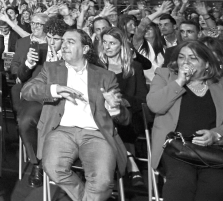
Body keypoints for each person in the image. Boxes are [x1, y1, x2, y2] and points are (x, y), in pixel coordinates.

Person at [20, 28, 130, 201]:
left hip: (96, 133)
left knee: (102, 181)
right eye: (62, 42)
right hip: (61, 131)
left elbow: (125, 118)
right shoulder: (51, 69)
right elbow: (26, 91)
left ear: (85, 49)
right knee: (53, 167)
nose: (63, 46)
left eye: (70, 42)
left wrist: (115, 109)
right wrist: (55, 90)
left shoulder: (105, 76)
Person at [146, 40, 223, 201]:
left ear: (207, 63)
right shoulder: (165, 76)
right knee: (181, 184)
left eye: (192, 58)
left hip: (215, 151)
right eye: (181, 57)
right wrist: (180, 82)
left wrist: (215, 135)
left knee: (215, 188)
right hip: (176, 149)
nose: (185, 62)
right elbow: (155, 106)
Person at [11, 14, 64, 187]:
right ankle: (37, 164)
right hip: (39, 97)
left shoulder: (71, 53)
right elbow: (23, 77)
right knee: (25, 121)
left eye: (55, 39)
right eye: (49, 38)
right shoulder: (37, 50)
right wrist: (28, 64)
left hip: (64, 101)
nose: (51, 42)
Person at [99, 27, 149, 188]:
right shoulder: (97, 67)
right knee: (108, 119)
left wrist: (120, 101)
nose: (107, 47)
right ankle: (129, 161)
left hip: (130, 115)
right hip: (101, 114)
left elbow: (142, 99)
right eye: (104, 42)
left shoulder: (134, 67)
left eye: (112, 43)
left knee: (116, 118)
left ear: (121, 45)